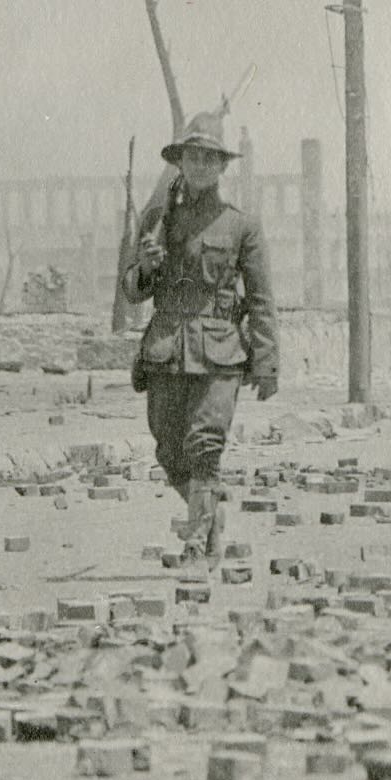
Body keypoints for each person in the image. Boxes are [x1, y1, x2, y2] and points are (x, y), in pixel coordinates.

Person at [120, 112, 278, 563]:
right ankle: (207, 513)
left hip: (220, 350)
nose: (201, 166)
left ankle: (195, 541)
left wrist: (266, 364)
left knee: (204, 445)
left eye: (210, 158)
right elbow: (131, 290)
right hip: (167, 346)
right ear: (181, 162)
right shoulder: (157, 219)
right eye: (193, 157)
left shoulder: (241, 226)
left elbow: (263, 299)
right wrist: (148, 267)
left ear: (223, 166)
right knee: (170, 449)